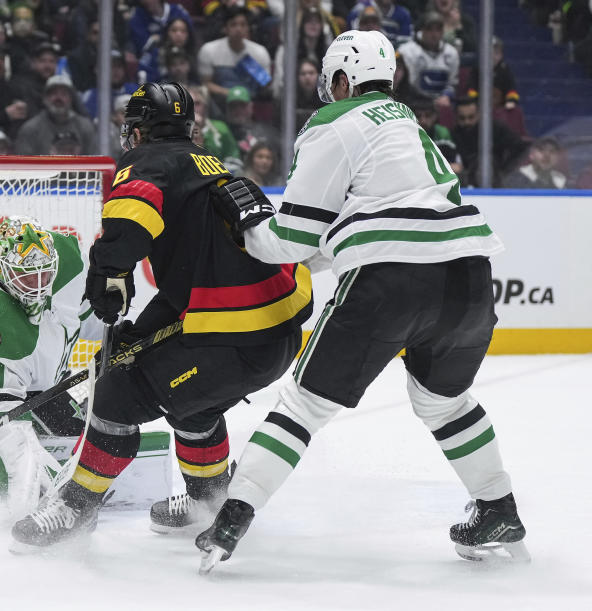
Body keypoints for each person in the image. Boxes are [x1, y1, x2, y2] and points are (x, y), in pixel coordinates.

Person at [199, 30, 528, 570]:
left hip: (392, 280)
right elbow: (355, 228)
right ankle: (498, 507)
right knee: (445, 403)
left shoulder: (334, 123)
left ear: (343, 80)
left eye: (331, 83)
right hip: (469, 273)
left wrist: (250, 222)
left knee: (304, 404)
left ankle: (230, 518)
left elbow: (293, 241)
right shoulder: (407, 123)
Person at [10, 82, 313, 550]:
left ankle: (75, 509)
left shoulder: (149, 162)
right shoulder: (210, 166)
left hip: (231, 340)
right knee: (191, 400)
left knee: (116, 394)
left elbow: (132, 220)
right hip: (275, 333)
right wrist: (141, 332)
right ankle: (207, 501)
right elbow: (191, 283)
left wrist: (110, 273)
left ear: (138, 131)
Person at [0, 217, 95, 517]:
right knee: (31, 457)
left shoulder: (65, 257)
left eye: (44, 275)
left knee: (80, 435)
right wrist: (18, 503)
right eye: (27, 278)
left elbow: (79, 313)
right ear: (0, 271)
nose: (39, 286)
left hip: (29, 379)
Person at [15, 74, 96, 156]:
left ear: (71, 99)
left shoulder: (85, 127)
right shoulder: (30, 129)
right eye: (53, 93)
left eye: (64, 94)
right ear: (44, 99)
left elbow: (94, 161)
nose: (58, 98)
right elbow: (23, 164)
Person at [397, 12, 460, 107]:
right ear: (421, 30)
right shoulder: (407, 52)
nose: (434, 34)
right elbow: (404, 86)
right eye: (429, 29)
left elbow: (452, 84)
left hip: (442, 104)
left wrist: (446, 96)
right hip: (414, 103)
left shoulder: (451, 53)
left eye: (438, 30)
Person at [503, 138, 568, 189]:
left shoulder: (561, 180)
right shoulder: (514, 179)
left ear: (557, 158)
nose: (547, 155)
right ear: (531, 155)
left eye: (552, 151)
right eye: (541, 150)